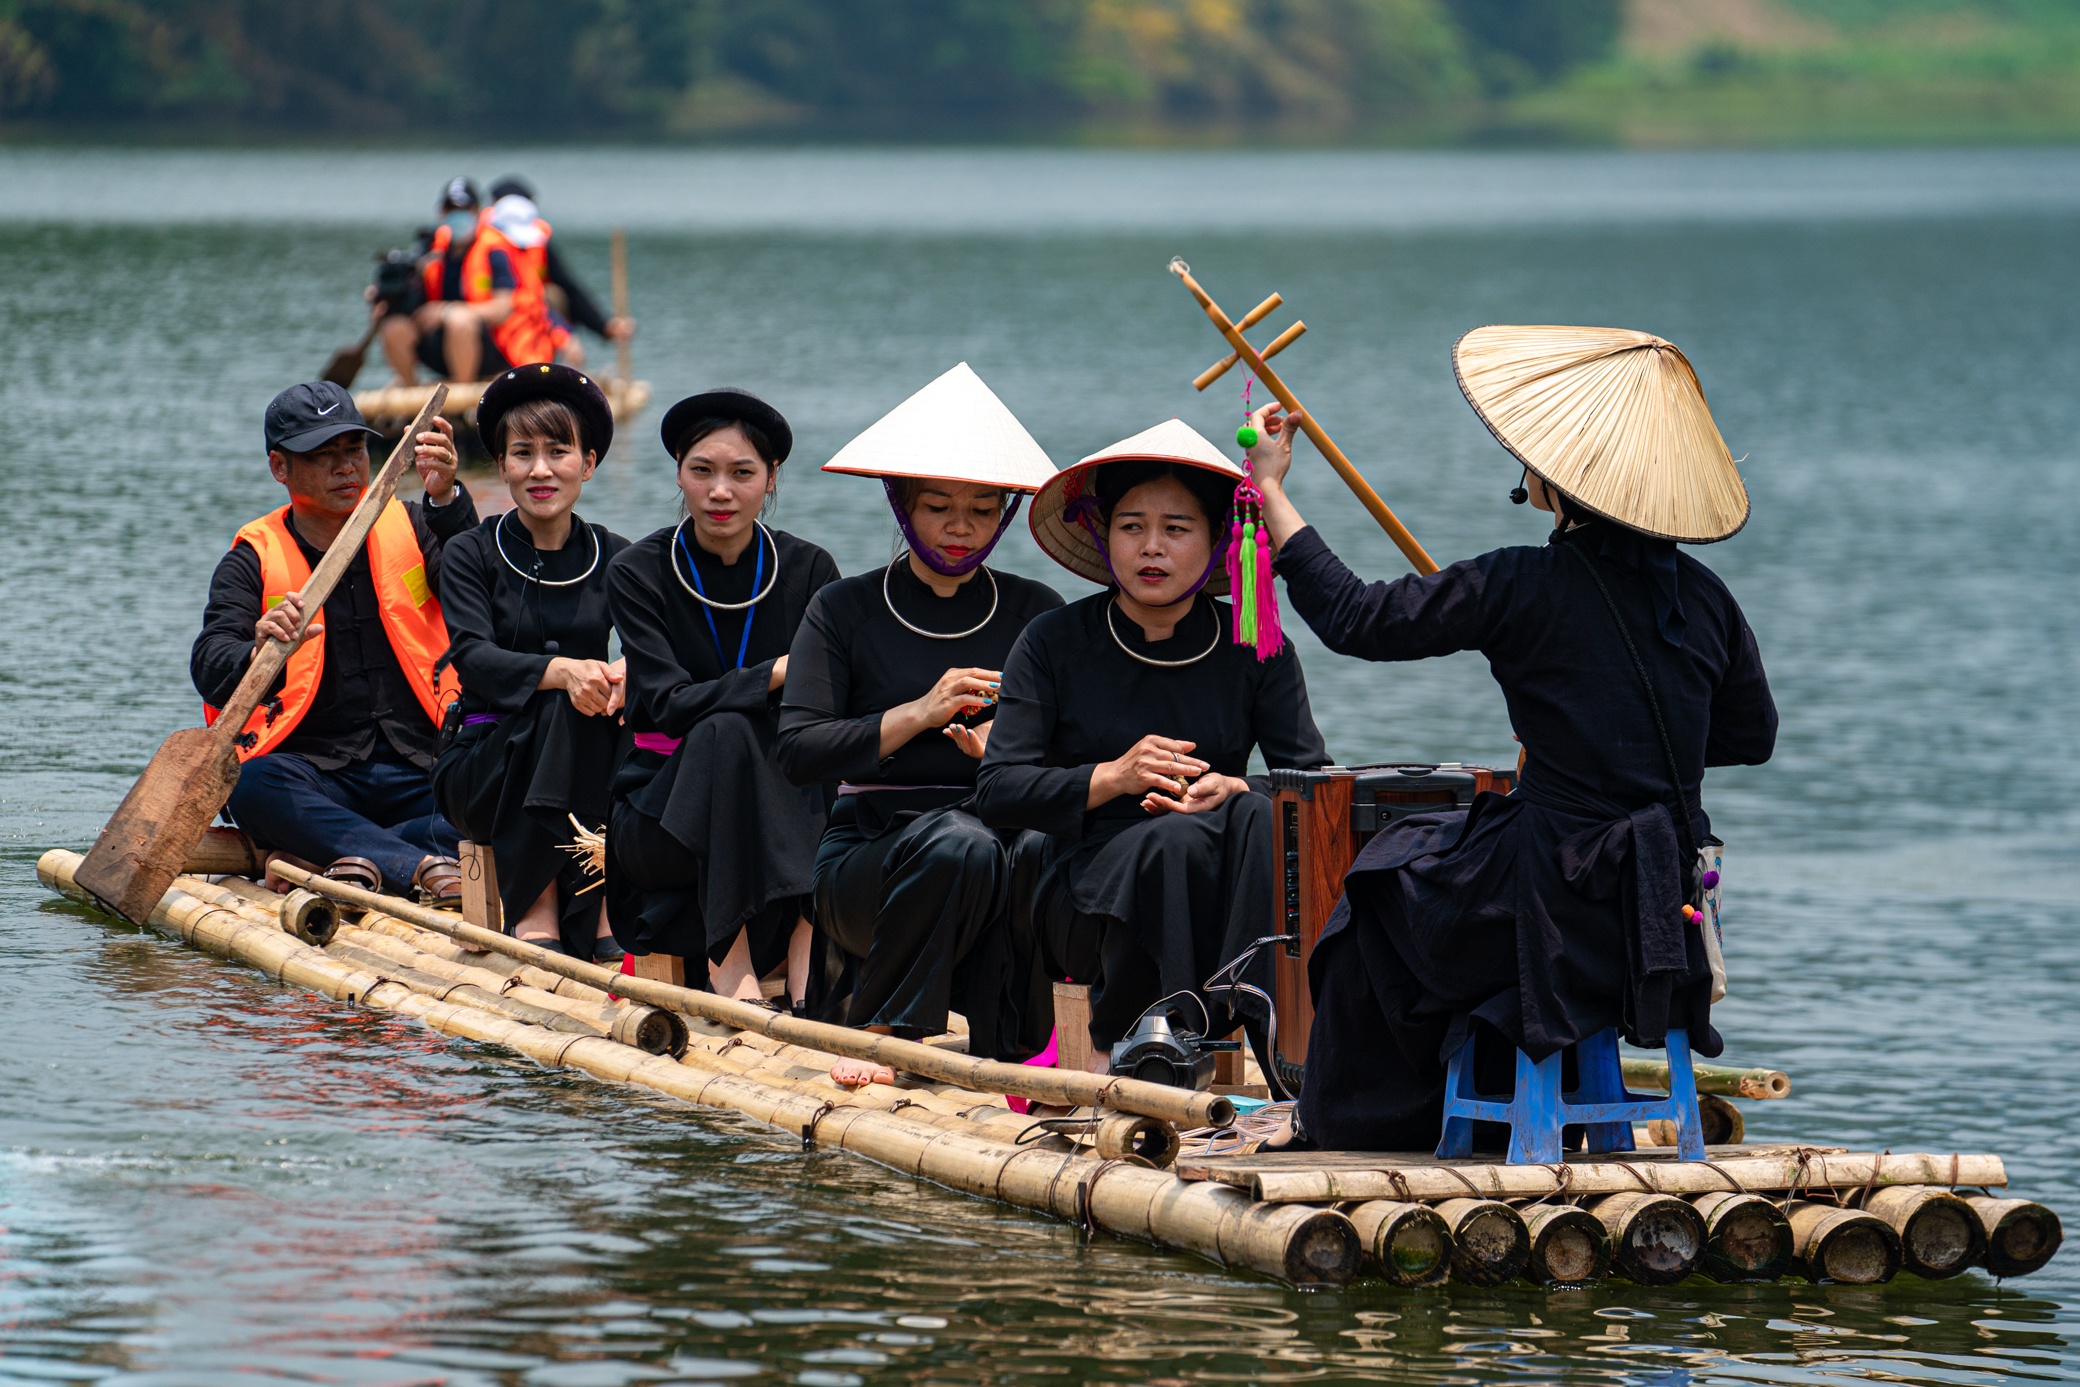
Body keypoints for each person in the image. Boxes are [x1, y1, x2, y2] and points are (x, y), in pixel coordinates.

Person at [1246, 325, 1779, 1151]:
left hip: (1555, 899)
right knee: (1442, 869)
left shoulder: (1523, 582)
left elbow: (1356, 619)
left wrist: (1271, 490)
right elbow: (1752, 736)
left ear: (1558, 478)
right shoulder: (1708, 599)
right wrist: (1617, 746)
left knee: (1379, 889)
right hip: (1657, 903)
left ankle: (1358, 1122)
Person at [974, 420, 1328, 1078]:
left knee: (1257, 813)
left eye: (1177, 528)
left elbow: (1313, 784)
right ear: (1104, 535)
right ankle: (1151, 1039)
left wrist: (1237, 786)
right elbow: (998, 790)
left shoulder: (1255, 642)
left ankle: (1278, 1038)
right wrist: (1113, 776)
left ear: (1217, 540)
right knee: (1175, 841)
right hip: (1082, 884)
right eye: (1132, 526)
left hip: (1220, 880)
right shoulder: (1053, 641)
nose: (1152, 547)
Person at [777, 364, 1063, 1084]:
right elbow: (799, 750)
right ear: (901, 504)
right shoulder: (843, 608)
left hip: (997, 845)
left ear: (1006, 513)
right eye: (938, 506)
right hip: (868, 857)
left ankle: (1029, 1045)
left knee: (1038, 844)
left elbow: (1075, 756)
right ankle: (884, 1034)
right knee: (960, 842)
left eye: (982, 509)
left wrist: (1005, 757)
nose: (960, 527)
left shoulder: (1037, 612)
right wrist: (918, 714)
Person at [192, 381, 475, 902]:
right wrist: (259, 651)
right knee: (251, 785)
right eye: (324, 455)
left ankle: (328, 854)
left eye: (355, 449)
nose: (346, 468)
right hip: (314, 774)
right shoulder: (252, 558)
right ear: (280, 467)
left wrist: (446, 499)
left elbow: (482, 594)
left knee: (495, 788)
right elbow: (210, 664)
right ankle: (414, 863)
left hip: (421, 767)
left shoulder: (416, 524)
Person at [606, 389, 841, 1004]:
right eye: (702, 470)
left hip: (780, 804)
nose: (720, 491)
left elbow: (831, 704)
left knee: (810, 742)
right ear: (678, 473)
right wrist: (775, 674)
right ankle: (728, 960)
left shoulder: (810, 570)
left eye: (742, 473)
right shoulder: (637, 570)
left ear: (771, 479)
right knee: (725, 730)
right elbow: (666, 705)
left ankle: (804, 947)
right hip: (661, 809)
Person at [431, 363, 631, 961]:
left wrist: (626, 675)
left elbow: (656, 651)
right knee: (557, 704)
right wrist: (565, 672)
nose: (540, 470)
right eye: (523, 454)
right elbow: (473, 659)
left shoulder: (618, 557)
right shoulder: (470, 552)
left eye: (558, 452)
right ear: (502, 466)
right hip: (484, 764)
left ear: (588, 464)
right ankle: (537, 905)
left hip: (587, 756)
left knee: (630, 713)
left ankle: (606, 898)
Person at [379, 182, 558, 386]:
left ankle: (462, 390)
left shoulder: (494, 249)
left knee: (459, 321)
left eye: (464, 209)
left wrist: (447, 310)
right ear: (441, 213)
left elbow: (503, 308)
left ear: (477, 211)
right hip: (440, 345)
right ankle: (411, 387)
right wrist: (388, 297)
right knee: (394, 327)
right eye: (451, 210)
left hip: (491, 345)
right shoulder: (430, 248)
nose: (458, 216)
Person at [486, 175, 637, 367]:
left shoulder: (536, 241)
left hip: (533, 321)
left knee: (553, 294)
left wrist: (604, 326)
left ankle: (545, 364)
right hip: (487, 331)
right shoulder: (479, 244)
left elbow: (568, 287)